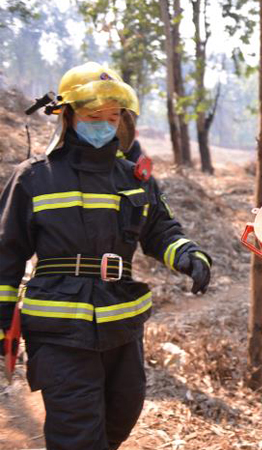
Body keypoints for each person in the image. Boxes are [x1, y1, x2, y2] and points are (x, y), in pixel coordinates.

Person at [0, 61, 212, 450]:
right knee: (78, 433)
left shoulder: (133, 179)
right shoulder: (33, 178)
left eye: (113, 116)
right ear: (67, 116)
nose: (104, 124)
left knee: (122, 414)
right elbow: (6, 252)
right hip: (59, 328)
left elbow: (160, 230)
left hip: (120, 324)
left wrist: (187, 254)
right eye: (93, 115)